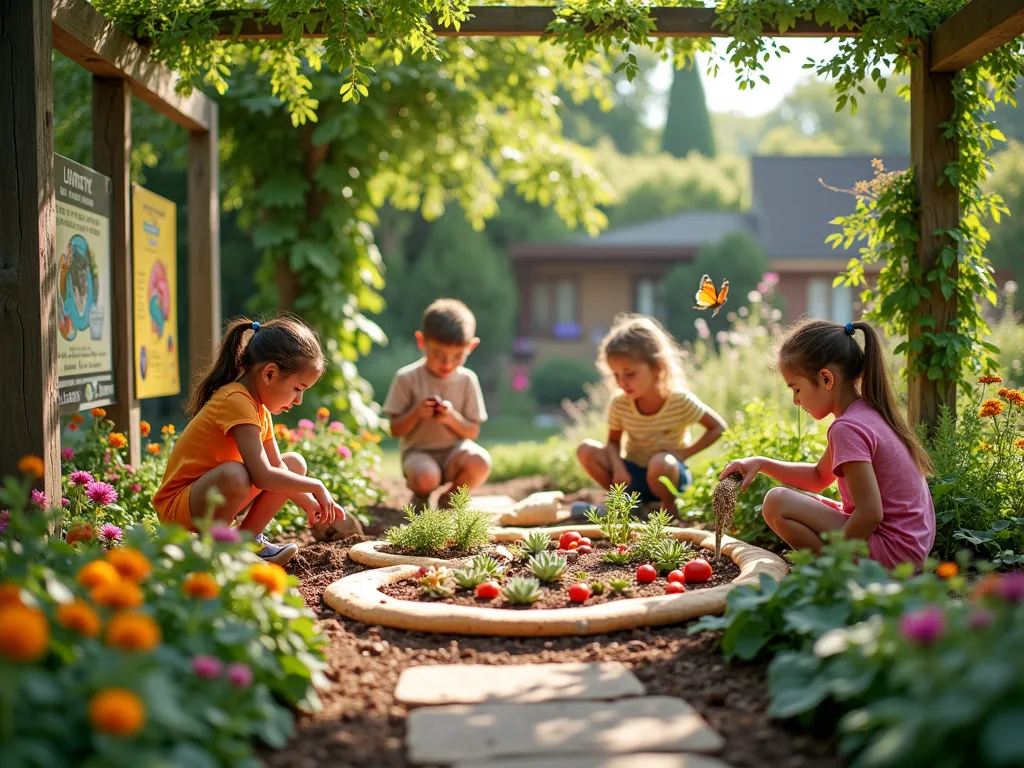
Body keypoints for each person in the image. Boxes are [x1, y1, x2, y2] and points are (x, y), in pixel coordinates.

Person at [721, 319, 935, 569]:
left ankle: (835, 571)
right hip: (909, 549)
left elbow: (870, 513)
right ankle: (837, 567)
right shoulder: (866, 413)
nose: (796, 401)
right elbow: (819, 477)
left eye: (796, 389)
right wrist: (761, 463)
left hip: (892, 553)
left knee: (776, 503)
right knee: (797, 501)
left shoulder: (847, 428)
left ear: (826, 378)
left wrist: (838, 557)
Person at [154, 315, 343, 565]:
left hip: (210, 500)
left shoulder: (259, 408)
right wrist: (315, 485)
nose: (299, 401)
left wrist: (308, 502)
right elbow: (262, 475)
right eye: (298, 388)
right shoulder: (235, 400)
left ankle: (244, 542)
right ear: (269, 374)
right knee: (236, 474)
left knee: (293, 464)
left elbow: (277, 468)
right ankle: (220, 553)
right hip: (179, 508)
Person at [577, 314, 727, 513]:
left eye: (629, 374)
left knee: (660, 463)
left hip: (669, 475)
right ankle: (629, 505)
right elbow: (612, 443)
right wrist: (619, 468)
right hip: (633, 474)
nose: (622, 382)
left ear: (658, 367)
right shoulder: (620, 403)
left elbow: (718, 428)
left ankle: (668, 509)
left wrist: (684, 453)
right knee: (586, 450)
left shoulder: (679, 400)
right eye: (616, 375)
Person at [382, 299, 490, 509]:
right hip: (419, 454)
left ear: (472, 346)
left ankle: (449, 499)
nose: (447, 363)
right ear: (421, 342)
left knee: (481, 461)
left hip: (455, 453)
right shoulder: (406, 378)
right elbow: (395, 429)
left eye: (458, 355)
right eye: (438, 354)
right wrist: (417, 412)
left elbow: (472, 431)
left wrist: (451, 418)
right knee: (425, 477)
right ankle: (421, 498)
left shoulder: (468, 380)